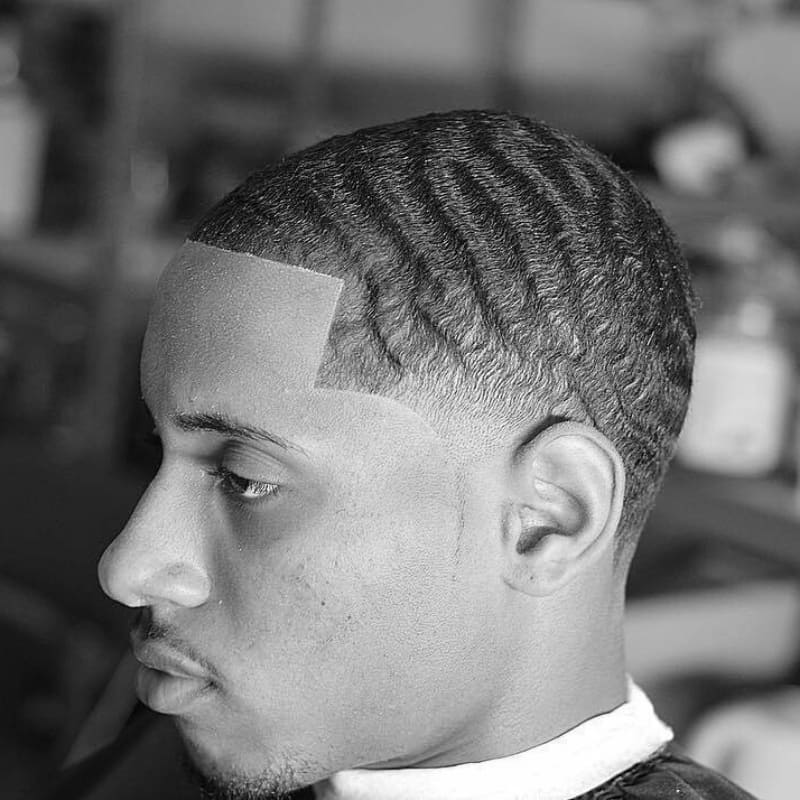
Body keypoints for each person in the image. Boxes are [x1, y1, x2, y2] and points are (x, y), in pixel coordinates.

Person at [55, 109, 755, 799]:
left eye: (244, 479)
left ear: (549, 519)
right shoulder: (152, 765)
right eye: (157, 453)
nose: (129, 566)